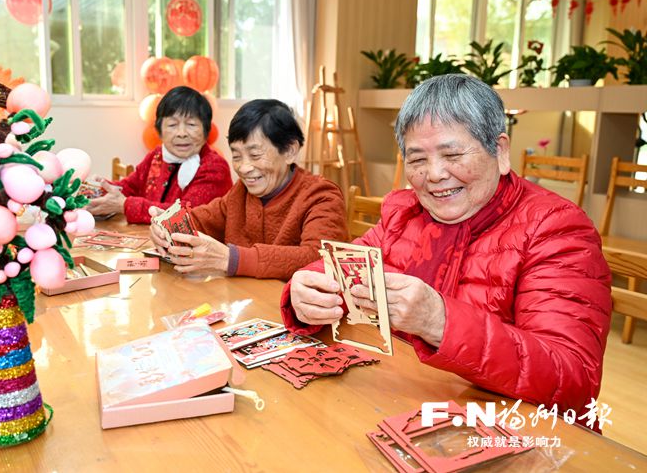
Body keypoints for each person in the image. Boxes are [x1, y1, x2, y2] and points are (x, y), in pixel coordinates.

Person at [282, 74, 611, 414]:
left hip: (513, 429)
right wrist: (303, 290)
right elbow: (339, 266)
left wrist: (439, 322)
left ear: (499, 151)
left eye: (452, 154)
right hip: (404, 400)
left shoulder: (556, 228)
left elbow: (573, 379)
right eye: (418, 159)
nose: (435, 174)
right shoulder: (404, 213)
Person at [149, 99, 348, 281]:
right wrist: (168, 225)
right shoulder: (241, 191)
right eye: (236, 156)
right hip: (243, 306)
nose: (244, 168)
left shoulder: (321, 196)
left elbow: (319, 257)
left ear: (289, 151)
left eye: (255, 154)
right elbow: (204, 218)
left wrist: (232, 259)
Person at [86, 86, 232, 223]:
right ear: (159, 130)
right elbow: (130, 186)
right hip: (152, 241)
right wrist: (99, 189)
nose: (181, 133)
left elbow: (186, 215)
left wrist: (125, 205)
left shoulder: (215, 166)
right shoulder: (157, 156)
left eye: (191, 125)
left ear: (206, 131)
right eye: (172, 125)